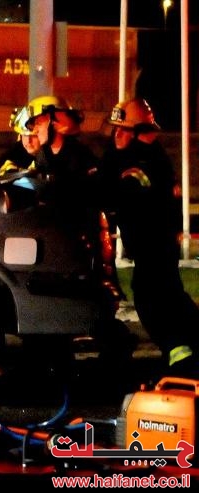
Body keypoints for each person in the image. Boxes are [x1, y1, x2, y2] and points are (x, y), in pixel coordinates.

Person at [101, 98, 199, 378]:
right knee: (171, 295)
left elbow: (111, 194)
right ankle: (186, 348)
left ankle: (179, 354)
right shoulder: (137, 156)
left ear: (141, 132)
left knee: (150, 298)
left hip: (153, 245)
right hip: (154, 245)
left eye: (124, 129)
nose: (117, 135)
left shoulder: (145, 163)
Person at [0, 105, 41, 176]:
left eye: (33, 136)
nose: (28, 141)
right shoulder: (13, 155)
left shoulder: (53, 155)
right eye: (24, 135)